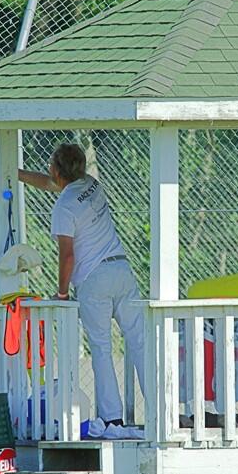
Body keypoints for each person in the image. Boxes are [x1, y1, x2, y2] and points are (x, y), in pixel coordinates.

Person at [18, 144, 145, 427]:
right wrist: (15, 174)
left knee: (101, 347)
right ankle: (161, 407)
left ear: (55, 169)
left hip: (93, 279)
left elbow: (67, 254)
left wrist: (62, 292)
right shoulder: (90, 184)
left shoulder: (63, 207)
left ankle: (112, 418)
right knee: (139, 341)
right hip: (122, 269)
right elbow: (52, 183)